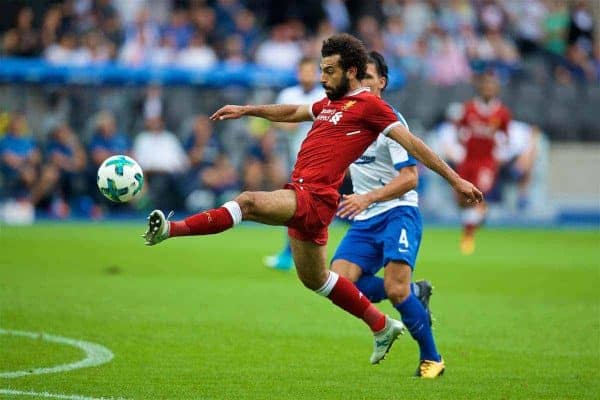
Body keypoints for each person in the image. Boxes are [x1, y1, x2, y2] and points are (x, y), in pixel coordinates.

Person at [143, 34, 482, 365]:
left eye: (329, 71)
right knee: (318, 280)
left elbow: (414, 145)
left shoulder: (371, 106)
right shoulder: (331, 104)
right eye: (321, 70)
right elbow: (292, 112)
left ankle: (170, 230)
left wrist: (456, 180)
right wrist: (248, 109)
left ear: (351, 72)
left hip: (314, 197)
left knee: (247, 202)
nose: (322, 78)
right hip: (308, 196)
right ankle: (381, 326)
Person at [330, 51, 442, 377]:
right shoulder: (347, 119)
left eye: (368, 77)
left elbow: (410, 178)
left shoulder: (390, 122)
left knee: (395, 290)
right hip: (366, 217)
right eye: (356, 78)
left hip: (398, 211)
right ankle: (415, 293)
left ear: (381, 82)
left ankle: (432, 359)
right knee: (341, 282)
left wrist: (367, 198)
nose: (361, 85)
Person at [263, 57, 325, 270]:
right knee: (302, 207)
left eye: (311, 72)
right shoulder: (288, 95)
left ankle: (293, 255)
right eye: (303, 72)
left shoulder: (324, 96)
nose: (307, 76)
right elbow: (276, 120)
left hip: (322, 160)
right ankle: (295, 255)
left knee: (300, 206)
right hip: (296, 158)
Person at [455, 71, 510, 254]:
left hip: (486, 162)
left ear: (496, 89)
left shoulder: (502, 113)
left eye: (491, 86)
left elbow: (505, 137)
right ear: (480, 88)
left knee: (478, 195)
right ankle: (476, 219)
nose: (488, 89)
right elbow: (459, 131)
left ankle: (468, 235)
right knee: (462, 200)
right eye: (485, 85)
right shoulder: (469, 108)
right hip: (468, 161)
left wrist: (500, 156)